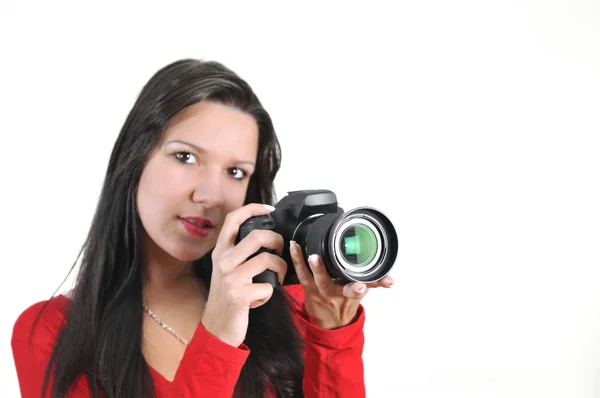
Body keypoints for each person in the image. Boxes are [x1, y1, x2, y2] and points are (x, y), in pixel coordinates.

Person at [11, 58, 394, 398]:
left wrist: (332, 334)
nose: (210, 194)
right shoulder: (48, 332)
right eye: (186, 156)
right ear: (134, 158)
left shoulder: (289, 308)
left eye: (235, 172)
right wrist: (217, 336)